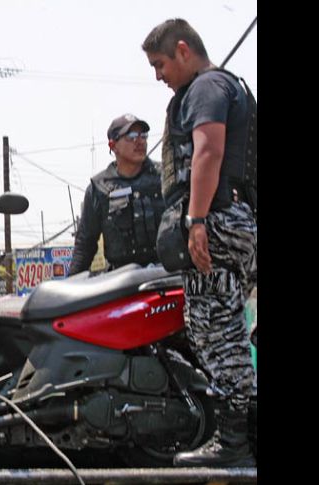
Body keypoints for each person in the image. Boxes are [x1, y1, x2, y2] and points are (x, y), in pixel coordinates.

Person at [142, 18, 257, 467]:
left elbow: (208, 151)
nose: (158, 75)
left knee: (217, 332)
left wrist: (196, 220)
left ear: (183, 50)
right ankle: (242, 437)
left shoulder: (207, 87)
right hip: (234, 218)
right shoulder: (233, 87)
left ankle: (232, 444)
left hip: (217, 220)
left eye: (160, 64)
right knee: (221, 327)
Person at [69, 113, 165, 275]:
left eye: (143, 135)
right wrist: (70, 287)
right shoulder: (99, 188)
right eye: (132, 136)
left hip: (166, 275)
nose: (140, 141)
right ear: (113, 145)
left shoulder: (164, 176)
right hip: (121, 281)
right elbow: (85, 245)